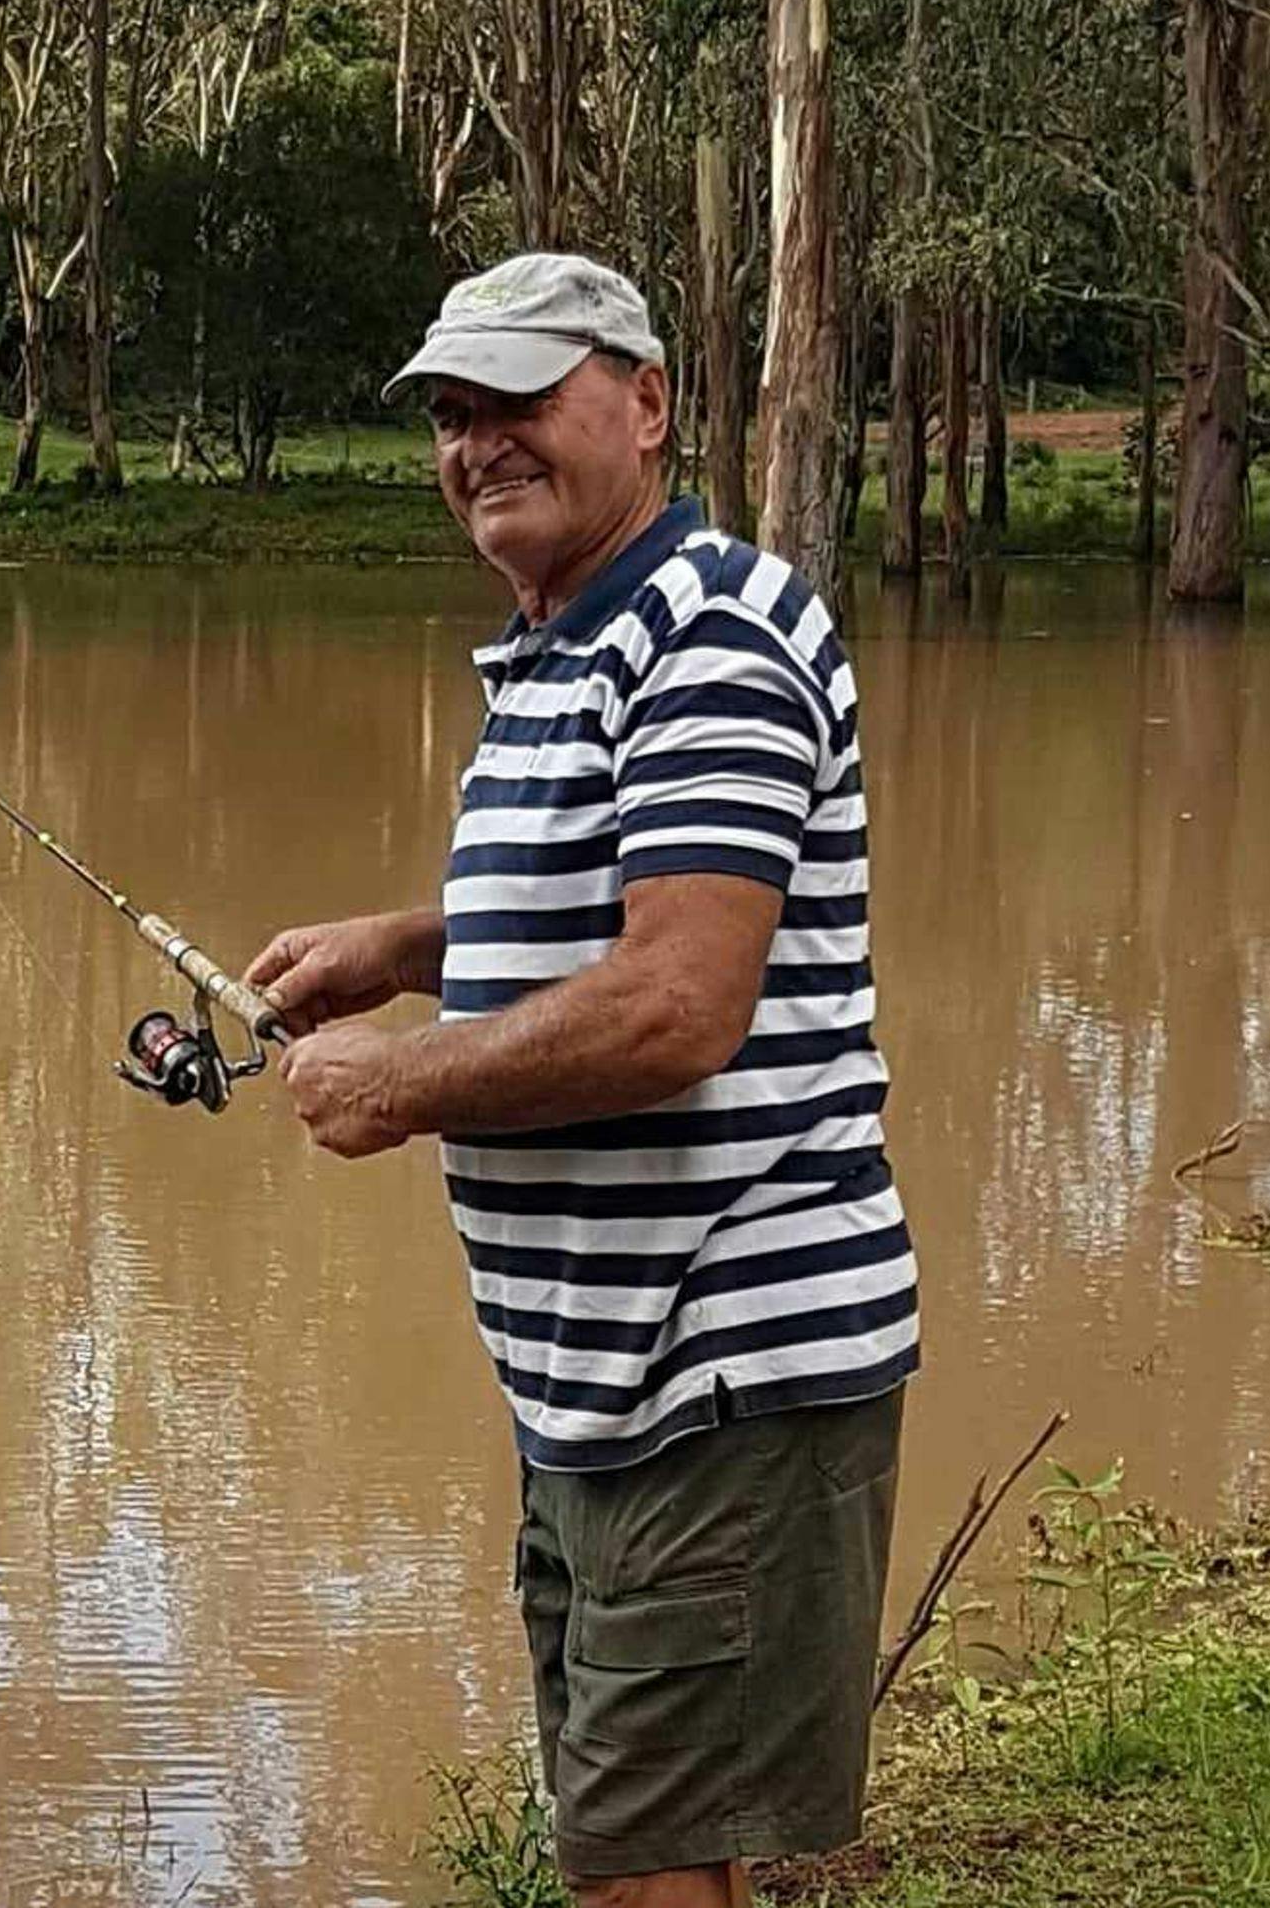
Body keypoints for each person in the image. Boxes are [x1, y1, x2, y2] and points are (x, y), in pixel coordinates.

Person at [247, 253, 918, 1907]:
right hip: (605, 1385)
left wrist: (401, 1086)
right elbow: (632, 900)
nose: (479, 443)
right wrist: (411, 946)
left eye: (521, 399)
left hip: (716, 1369)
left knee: (643, 1867)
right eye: (451, 414)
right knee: (636, 1851)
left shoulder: (710, 639)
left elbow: (677, 1004)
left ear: (647, 401)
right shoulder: (568, 641)